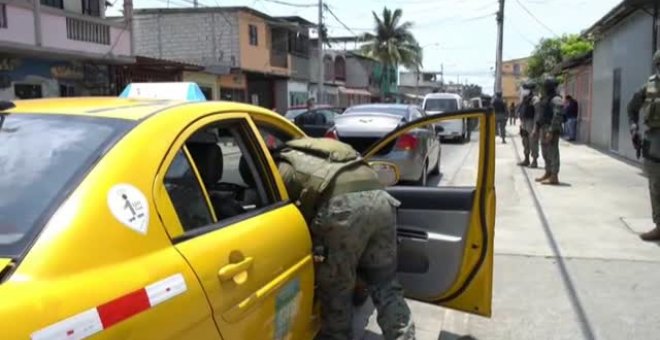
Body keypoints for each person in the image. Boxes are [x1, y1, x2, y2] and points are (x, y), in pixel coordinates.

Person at [274, 137, 415, 339]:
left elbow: (277, 211)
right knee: (385, 284)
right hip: (381, 199)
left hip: (343, 208)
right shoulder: (307, 149)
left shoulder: (279, 168)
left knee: (337, 289)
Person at [627, 50, 660, 241]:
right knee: (656, 185)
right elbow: (631, 108)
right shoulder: (648, 87)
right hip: (654, 140)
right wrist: (634, 128)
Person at [534, 77, 564, 185]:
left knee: (553, 152)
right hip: (544, 127)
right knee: (545, 152)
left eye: (545, 86)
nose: (543, 88)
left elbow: (558, 116)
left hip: (551, 128)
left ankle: (554, 176)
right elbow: (540, 114)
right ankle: (548, 172)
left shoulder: (556, 99)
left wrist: (551, 131)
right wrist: (536, 128)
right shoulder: (545, 98)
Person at [517, 82, 540, 168]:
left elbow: (538, 113)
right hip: (524, 122)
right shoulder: (524, 99)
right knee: (525, 141)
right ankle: (526, 159)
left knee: (533, 142)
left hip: (531, 122)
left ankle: (534, 161)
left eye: (525, 88)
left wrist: (536, 127)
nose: (523, 90)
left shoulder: (535, 99)